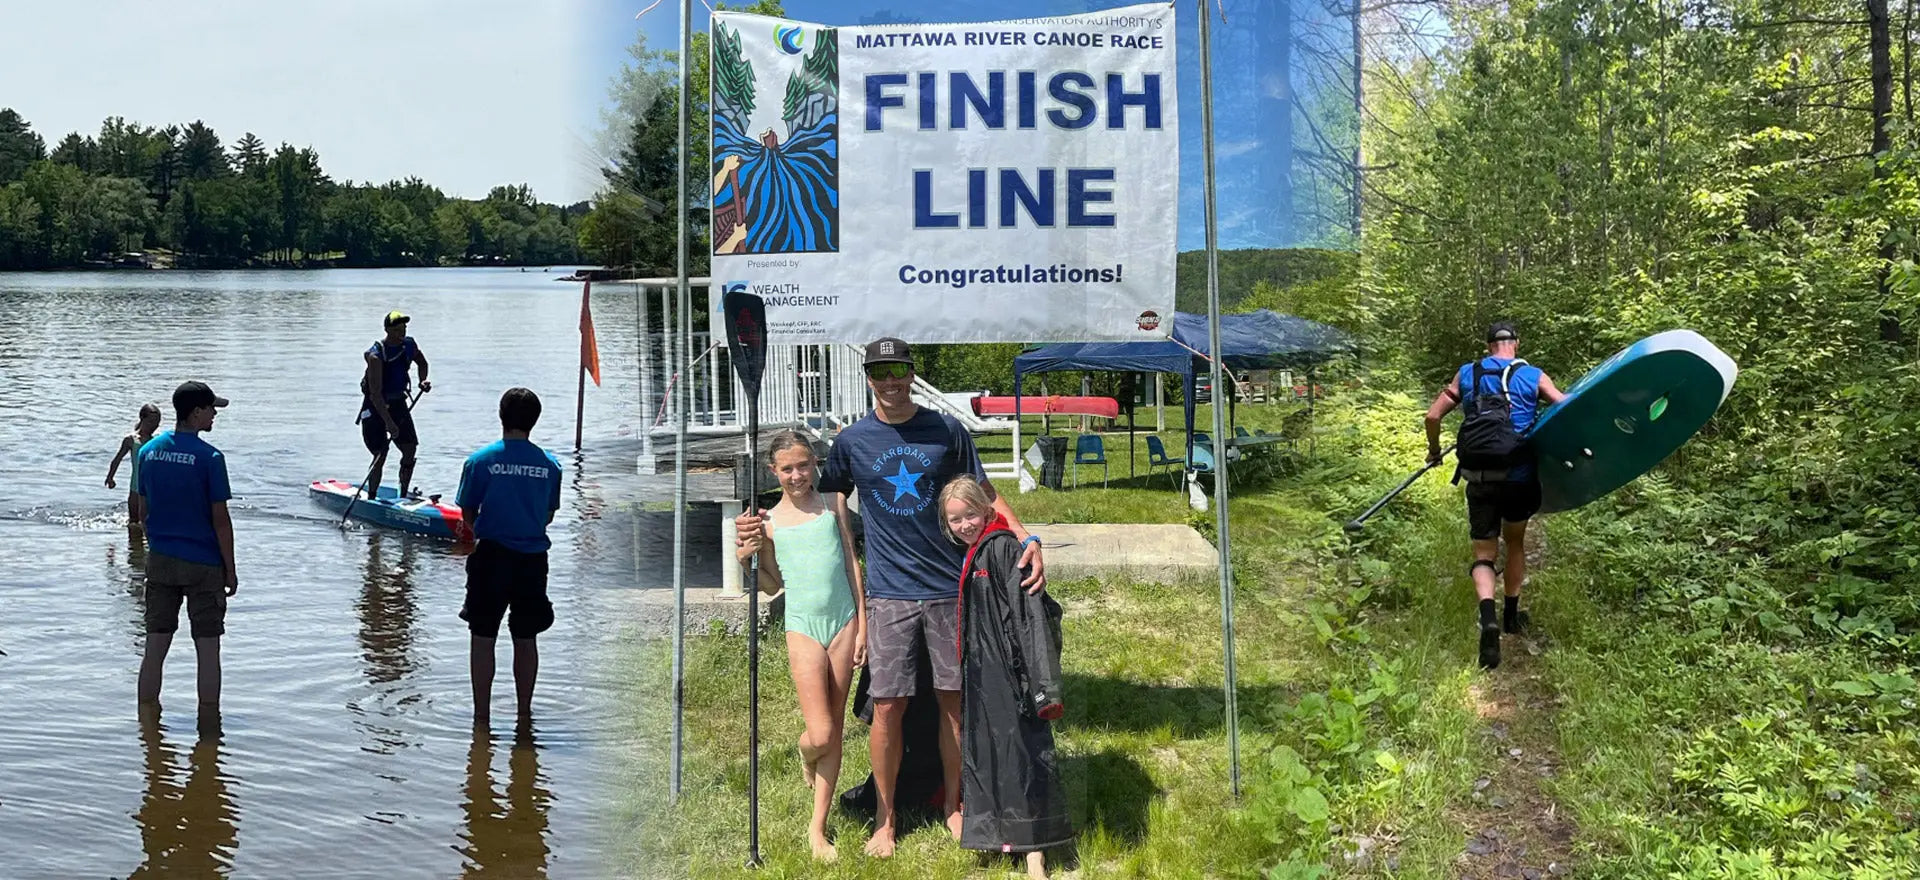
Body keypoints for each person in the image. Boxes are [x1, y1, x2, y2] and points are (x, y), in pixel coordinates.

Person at [737, 336, 1047, 858]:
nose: (891, 381)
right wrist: (763, 524)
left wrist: (1025, 536)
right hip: (887, 596)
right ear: (869, 378)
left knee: (954, 706)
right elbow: (812, 499)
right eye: (880, 372)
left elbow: (985, 495)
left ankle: (954, 805)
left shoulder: (946, 430)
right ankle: (885, 818)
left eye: (898, 370)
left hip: (948, 589)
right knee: (886, 708)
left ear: (910, 373)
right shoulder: (853, 441)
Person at [735, 430, 867, 862]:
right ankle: (806, 751)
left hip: (844, 621)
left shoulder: (834, 503)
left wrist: (863, 626)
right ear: (773, 471)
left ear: (815, 464)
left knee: (836, 729)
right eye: (787, 469)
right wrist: (747, 558)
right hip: (804, 628)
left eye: (804, 465)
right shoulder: (769, 523)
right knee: (821, 733)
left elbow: (851, 564)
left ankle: (818, 828)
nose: (797, 476)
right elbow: (771, 583)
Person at [941, 475, 1071, 879]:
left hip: (1013, 674)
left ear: (987, 510)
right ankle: (1002, 836)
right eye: (955, 519)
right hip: (985, 673)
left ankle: (1034, 854)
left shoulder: (1003, 548)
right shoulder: (975, 550)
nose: (964, 524)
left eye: (970, 515)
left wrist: (1042, 685)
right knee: (993, 753)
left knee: (1021, 755)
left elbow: (1030, 618)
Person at [1424, 321, 1565, 669]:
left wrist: (1434, 451)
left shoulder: (1467, 374)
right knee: (1514, 543)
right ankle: (1511, 618)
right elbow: (1565, 410)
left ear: (1488, 346)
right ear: (1516, 343)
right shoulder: (1533, 376)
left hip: (1480, 478)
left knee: (1484, 553)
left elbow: (1432, 416)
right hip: (1518, 477)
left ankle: (1488, 619)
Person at [456, 387, 563, 727]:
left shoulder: (480, 462)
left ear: (501, 416)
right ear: (535, 420)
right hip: (532, 559)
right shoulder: (550, 465)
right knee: (526, 637)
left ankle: (481, 718)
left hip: (491, 557)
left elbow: (468, 513)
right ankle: (524, 714)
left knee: (482, 636)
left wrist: (485, 527)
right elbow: (548, 515)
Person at [136, 381, 238, 712]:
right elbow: (221, 521)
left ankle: (146, 725)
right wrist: (231, 570)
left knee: (154, 648)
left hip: (161, 560)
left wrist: (157, 545)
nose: (214, 415)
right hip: (203, 564)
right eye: (211, 409)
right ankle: (209, 729)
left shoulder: (149, 451)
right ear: (196, 413)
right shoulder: (210, 458)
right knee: (208, 652)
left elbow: (142, 512)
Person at [360, 310, 431, 498]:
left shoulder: (409, 345)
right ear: (387, 330)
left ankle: (403, 494)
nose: (402, 333)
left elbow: (422, 363)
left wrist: (422, 381)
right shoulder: (376, 356)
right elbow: (375, 395)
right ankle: (371, 496)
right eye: (397, 330)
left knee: (410, 448)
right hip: (375, 407)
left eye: (404, 328)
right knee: (380, 453)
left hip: (398, 402)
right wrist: (389, 424)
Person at [108, 403, 163, 528]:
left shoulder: (157, 441)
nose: (154, 426)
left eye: (157, 423)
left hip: (152, 488)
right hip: (135, 487)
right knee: (134, 522)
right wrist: (110, 477)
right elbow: (117, 459)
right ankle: (133, 541)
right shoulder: (131, 440)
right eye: (151, 422)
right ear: (142, 419)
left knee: (150, 523)